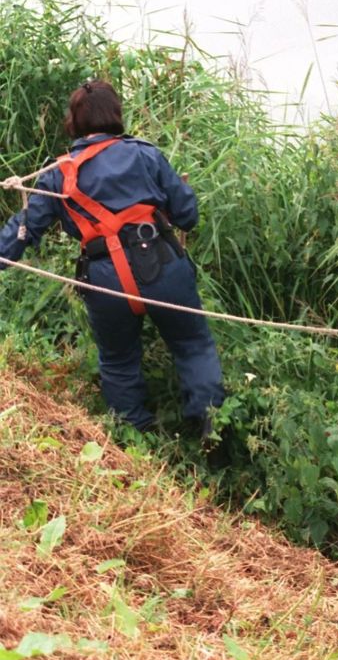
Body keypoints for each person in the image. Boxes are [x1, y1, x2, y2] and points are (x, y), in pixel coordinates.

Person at [0, 79, 225, 438]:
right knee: (192, 345)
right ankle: (211, 433)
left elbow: (25, 229)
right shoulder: (146, 154)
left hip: (105, 278)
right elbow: (187, 215)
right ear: (116, 115)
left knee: (119, 362)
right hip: (164, 266)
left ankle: (137, 441)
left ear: (74, 123)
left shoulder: (59, 172)